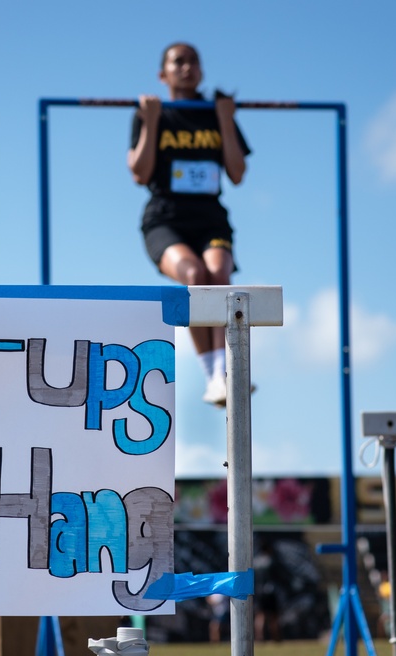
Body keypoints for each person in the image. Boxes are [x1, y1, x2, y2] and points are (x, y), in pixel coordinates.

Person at [128, 42, 251, 407]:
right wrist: (150, 121)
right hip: (166, 218)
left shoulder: (216, 112)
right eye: (178, 62)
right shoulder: (152, 113)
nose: (187, 68)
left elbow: (238, 173)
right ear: (162, 73)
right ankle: (213, 373)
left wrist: (226, 120)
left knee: (218, 275)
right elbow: (139, 173)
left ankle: (226, 372)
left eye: (194, 61)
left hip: (209, 217)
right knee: (194, 275)